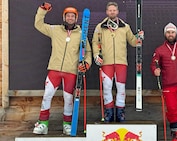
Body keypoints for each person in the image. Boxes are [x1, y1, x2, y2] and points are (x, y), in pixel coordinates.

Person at [33, 2, 92, 135]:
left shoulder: (81, 34)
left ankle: (67, 125)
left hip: (70, 71)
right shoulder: (55, 30)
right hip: (54, 69)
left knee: (68, 99)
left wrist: (86, 63)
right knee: (47, 95)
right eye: (68, 16)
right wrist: (43, 10)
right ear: (64, 18)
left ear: (76, 19)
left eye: (72, 16)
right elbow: (38, 25)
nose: (70, 18)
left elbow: (88, 52)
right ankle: (43, 123)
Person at [92, 2, 144, 122]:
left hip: (121, 62)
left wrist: (139, 38)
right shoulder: (100, 27)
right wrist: (96, 54)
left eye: (114, 10)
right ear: (106, 12)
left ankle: (120, 113)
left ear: (117, 11)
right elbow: (95, 42)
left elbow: (133, 41)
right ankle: (109, 112)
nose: (112, 12)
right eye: (110, 10)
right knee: (107, 88)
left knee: (121, 88)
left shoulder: (124, 26)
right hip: (106, 62)